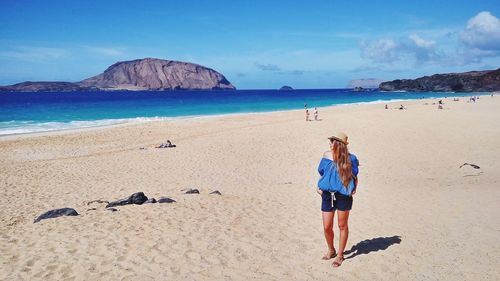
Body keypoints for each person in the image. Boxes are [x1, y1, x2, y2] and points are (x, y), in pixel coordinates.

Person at [316, 132, 359, 267]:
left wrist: (354, 187)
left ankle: (340, 255)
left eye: (332, 141)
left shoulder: (351, 159)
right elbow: (322, 172)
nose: (329, 143)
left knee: (342, 225)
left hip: (343, 195)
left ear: (338, 144)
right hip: (328, 194)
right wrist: (320, 187)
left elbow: (355, 175)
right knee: (327, 226)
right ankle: (331, 250)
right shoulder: (326, 155)